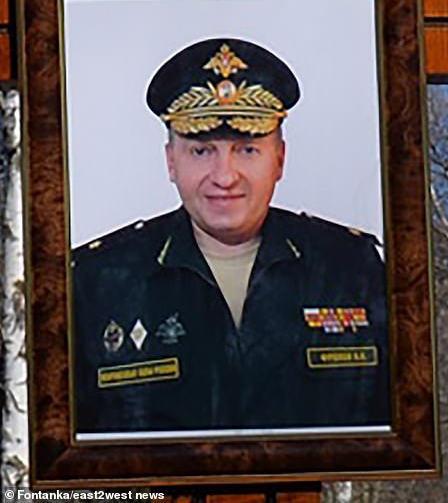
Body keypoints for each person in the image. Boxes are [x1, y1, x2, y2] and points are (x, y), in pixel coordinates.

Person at [73, 38, 390, 436]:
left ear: (280, 159)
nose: (224, 176)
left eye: (246, 150)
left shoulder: (351, 269)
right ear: (171, 161)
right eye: (202, 151)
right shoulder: (99, 282)